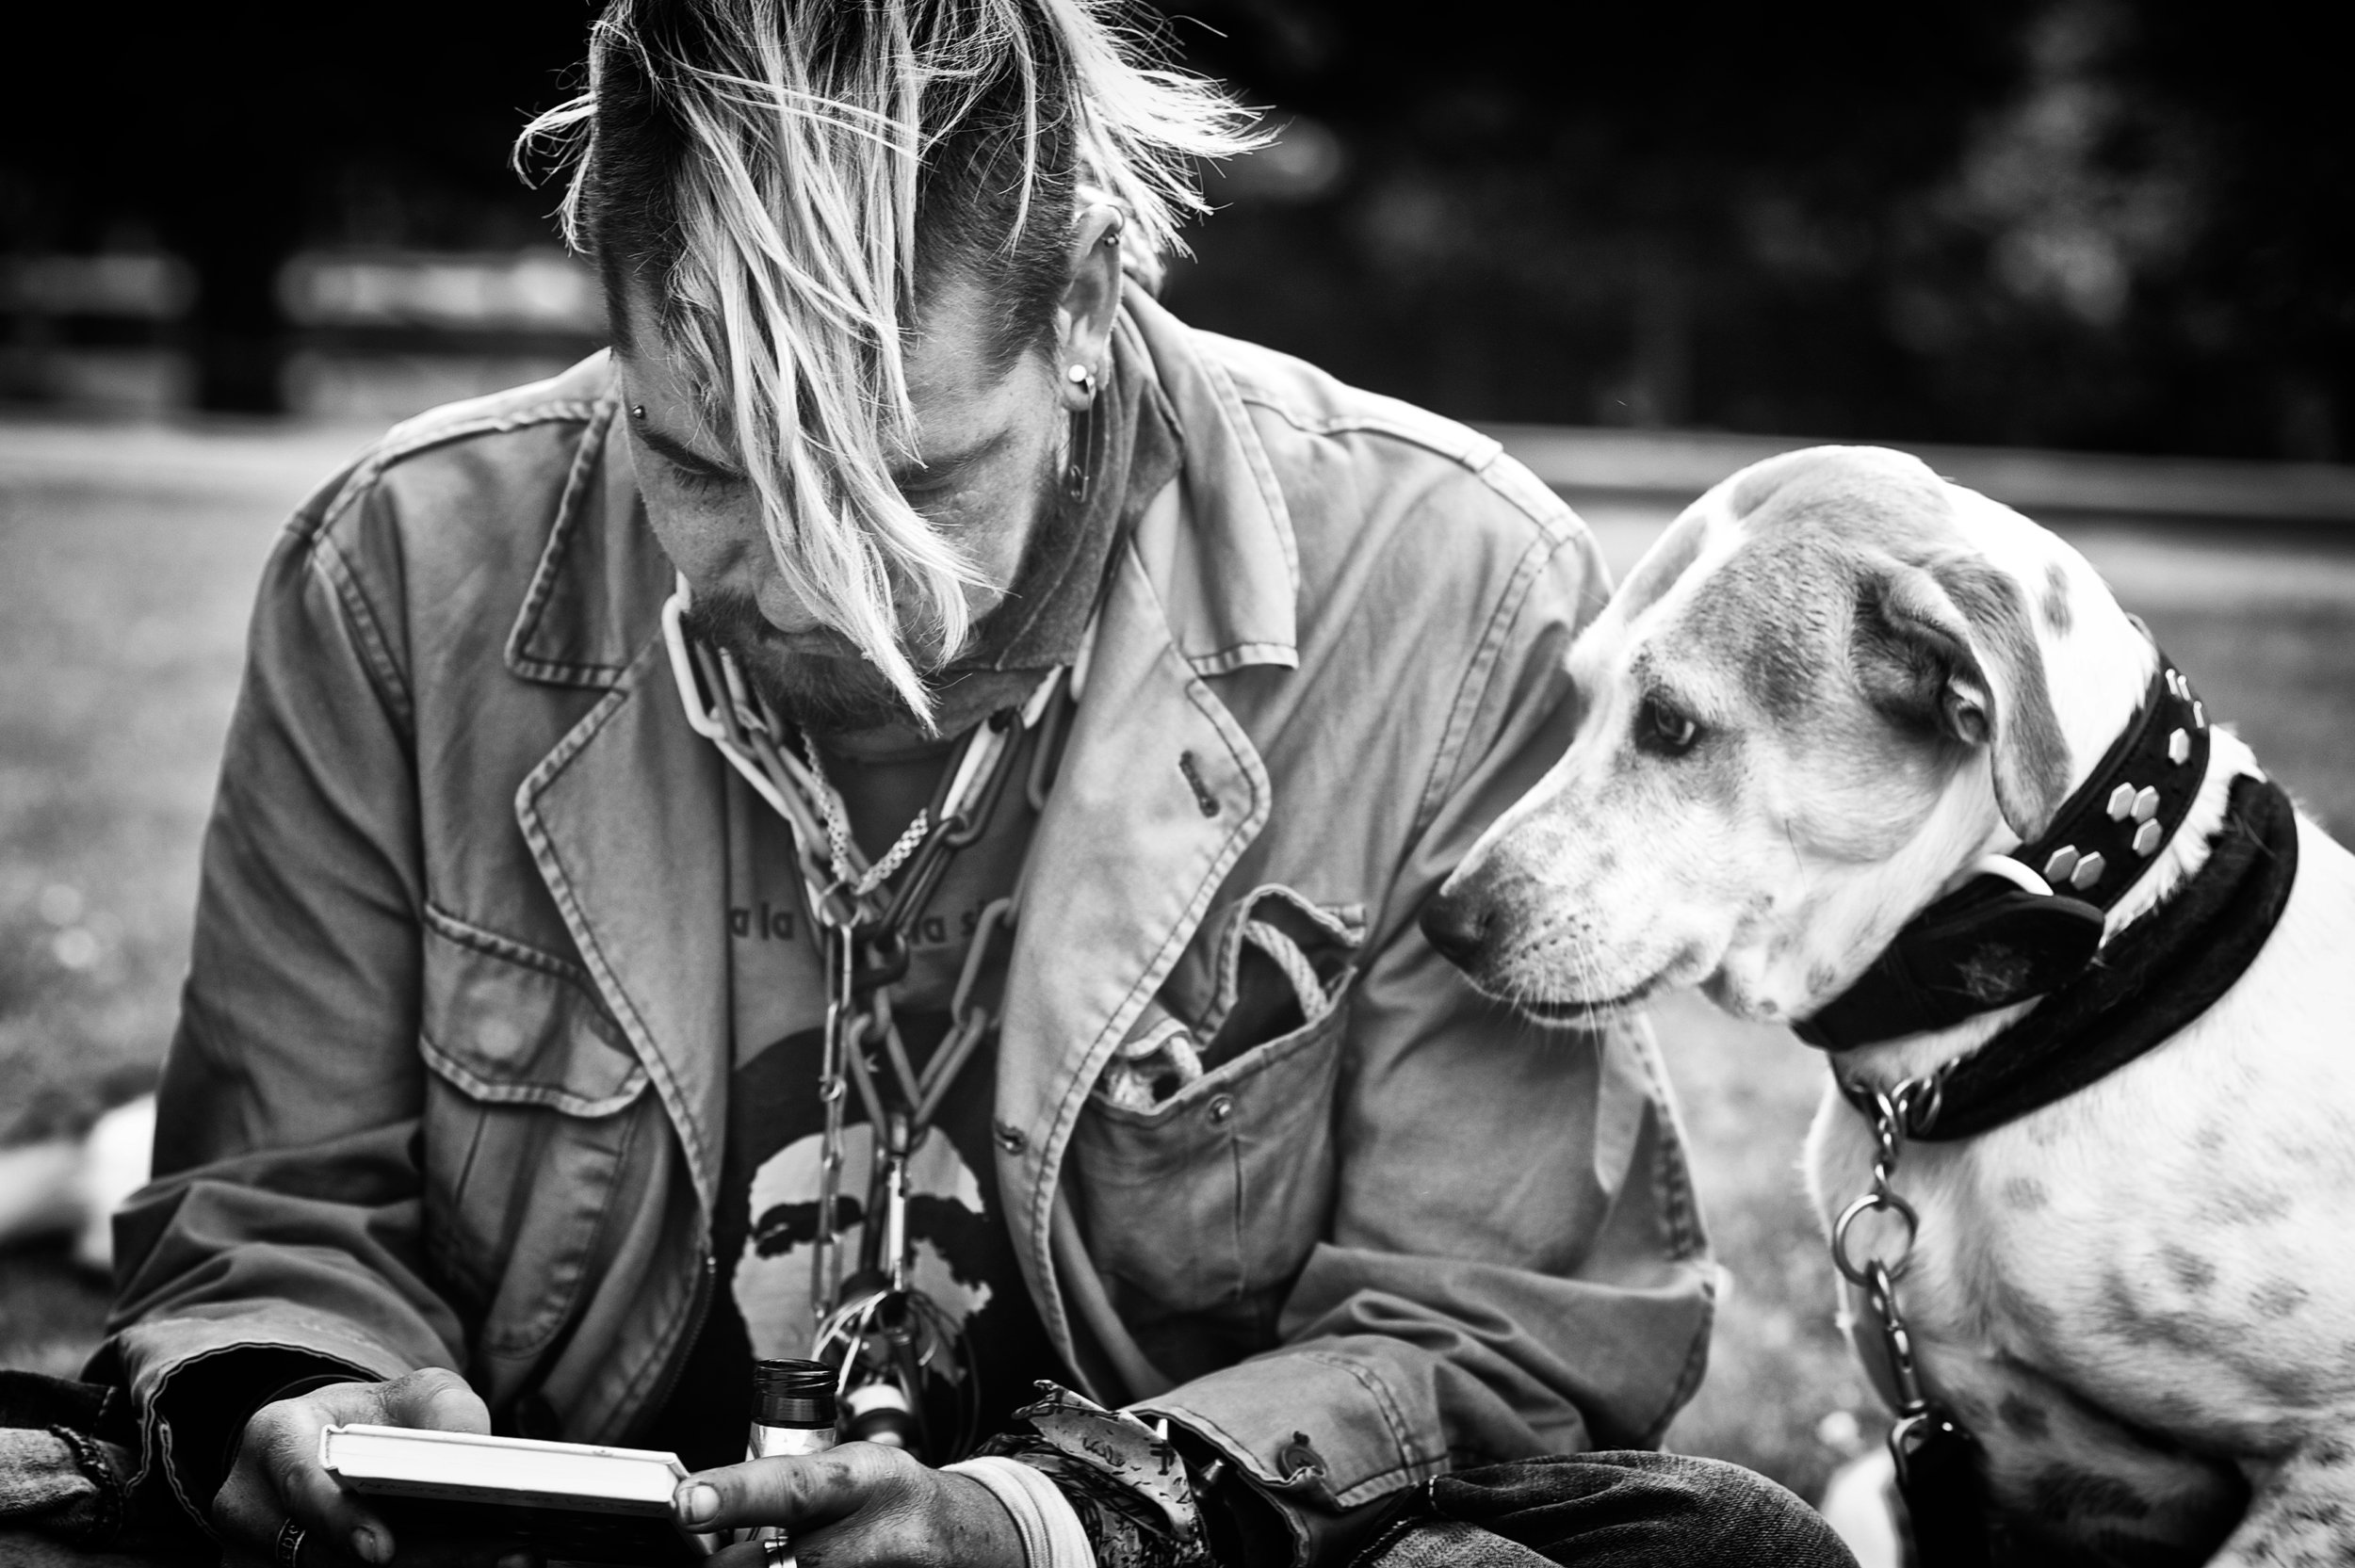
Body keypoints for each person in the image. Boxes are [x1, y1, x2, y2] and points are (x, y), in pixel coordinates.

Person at [90, 2, 1855, 1565]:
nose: (807, 589)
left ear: (1083, 305)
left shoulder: (1444, 585)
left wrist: (1046, 1522)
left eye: (910, 483)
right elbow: (273, 1212)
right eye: (704, 468)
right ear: (612, 319)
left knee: (1713, 1548)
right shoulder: (397, 573)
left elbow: (1496, 1327)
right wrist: (294, 1393)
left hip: (1163, 1545)